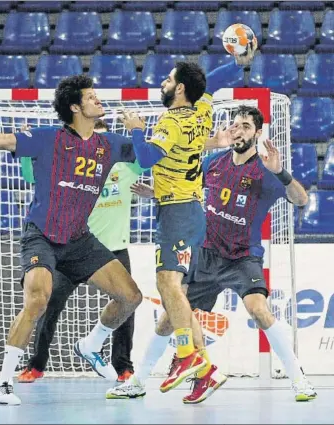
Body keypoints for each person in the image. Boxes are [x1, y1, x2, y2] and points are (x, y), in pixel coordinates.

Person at [0, 75, 144, 406]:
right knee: (38, 300)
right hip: (43, 236)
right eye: (91, 96)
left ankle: (91, 344)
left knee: (131, 297)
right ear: (76, 107)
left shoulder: (110, 145)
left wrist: (213, 143)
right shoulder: (48, 139)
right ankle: (4, 383)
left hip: (79, 239)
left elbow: (155, 154)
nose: (98, 100)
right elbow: (0, 139)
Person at [107, 105, 317, 404]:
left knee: (258, 309)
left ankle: (300, 380)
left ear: (257, 133)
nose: (238, 130)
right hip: (206, 253)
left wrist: (281, 173)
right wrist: (154, 192)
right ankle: (139, 381)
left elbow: (301, 200)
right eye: (235, 124)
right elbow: (186, 187)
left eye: (246, 125)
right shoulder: (214, 162)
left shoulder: (266, 170)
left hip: (243, 256)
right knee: (169, 318)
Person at [117, 43, 257, 393]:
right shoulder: (204, 109)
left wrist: (136, 127)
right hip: (189, 208)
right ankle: (204, 369)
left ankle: (187, 355)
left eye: (168, 79)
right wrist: (238, 64)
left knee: (168, 285)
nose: (163, 83)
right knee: (176, 290)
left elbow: (147, 158)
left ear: (179, 88)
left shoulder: (169, 120)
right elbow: (213, 84)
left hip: (178, 210)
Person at [17, 119, 145, 383]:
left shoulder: (126, 167)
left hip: (114, 248)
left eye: (101, 141)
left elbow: (156, 155)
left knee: (128, 304)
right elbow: (31, 176)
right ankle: (36, 365)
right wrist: (27, 153)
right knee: (48, 306)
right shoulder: (71, 169)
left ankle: (123, 367)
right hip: (74, 246)